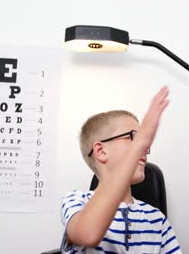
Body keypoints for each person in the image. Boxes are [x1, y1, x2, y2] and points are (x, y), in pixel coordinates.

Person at [60, 87, 182, 254]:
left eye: (143, 141)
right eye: (133, 137)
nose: (145, 147)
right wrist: (138, 146)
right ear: (101, 151)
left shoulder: (156, 218)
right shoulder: (77, 201)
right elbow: (87, 234)